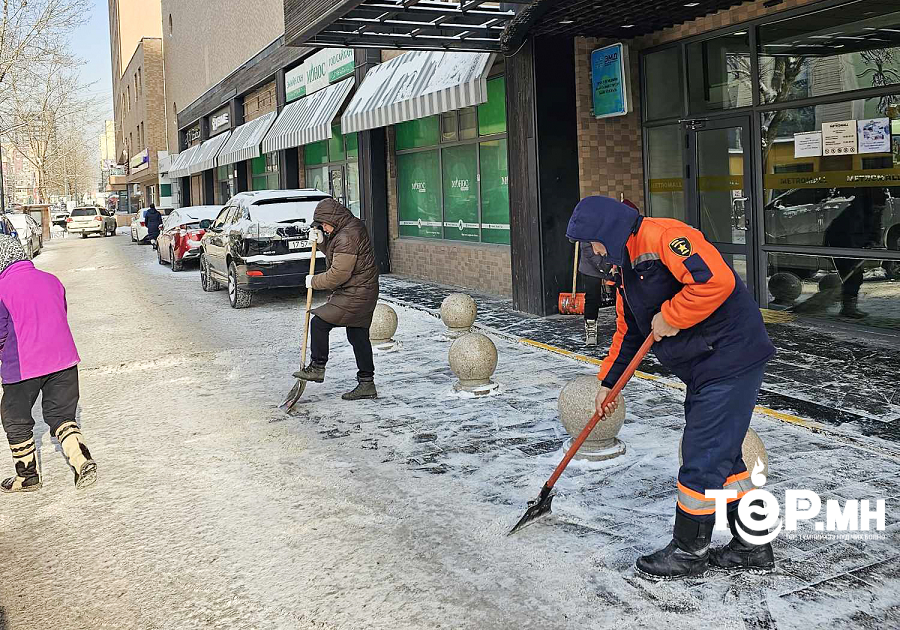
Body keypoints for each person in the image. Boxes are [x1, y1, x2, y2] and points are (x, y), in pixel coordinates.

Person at [565, 196, 776, 580]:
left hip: (729, 357)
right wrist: (607, 383)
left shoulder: (665, 238)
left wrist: (672, 316)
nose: (594, 252)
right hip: (704, 365)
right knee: (724, 457)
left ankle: (688, 551)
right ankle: (753, 543)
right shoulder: (625, 268)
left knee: (703, 454)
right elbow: (629, 331)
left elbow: (716, 281)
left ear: (610, 231)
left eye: (594, 243)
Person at [0, 235, 97, 492]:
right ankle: (81, 459)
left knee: (16, 418)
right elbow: (60, 312)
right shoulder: (51, 279)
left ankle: (27, 476)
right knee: (61, 416)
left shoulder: (2, 288)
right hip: (64, 360)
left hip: (24, 365)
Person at [292, 199, 380, 400]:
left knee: (319, 323)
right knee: (358, 336)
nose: (323, 228)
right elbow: (338, 252)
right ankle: (367, 383)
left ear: (332, 219)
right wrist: (322, 242)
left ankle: (317, 367)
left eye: (323, 225)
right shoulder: (348, 228)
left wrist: (313, 281)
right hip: (362, 290)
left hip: (357, 292)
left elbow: (338, 274)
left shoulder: (347, 235)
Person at [578, 199, 636, 346]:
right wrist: (605, 268)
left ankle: (622, 326)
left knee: (620, 293)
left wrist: (613, 266)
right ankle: (591, 327)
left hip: (612, 263)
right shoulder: (590, 227)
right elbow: (589, 252)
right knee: (593, 295)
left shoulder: (616, 225)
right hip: (591, 265)